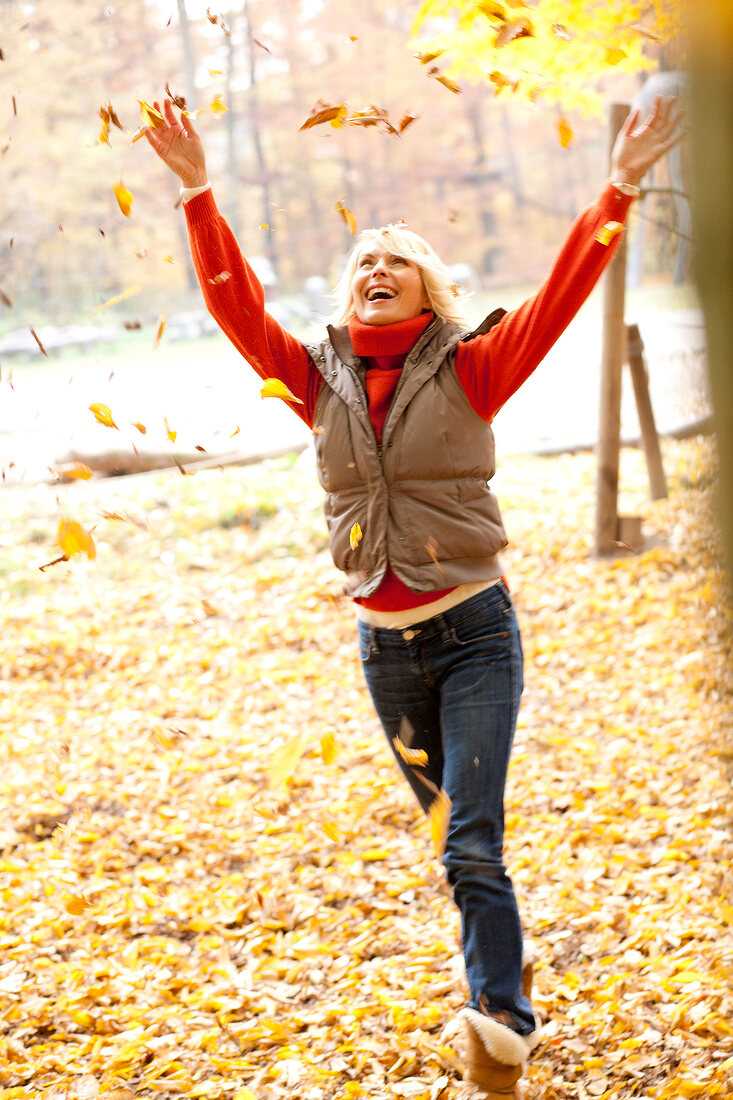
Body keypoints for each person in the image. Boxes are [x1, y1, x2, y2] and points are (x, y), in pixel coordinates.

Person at [144, 94, 680, 1099]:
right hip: (382, 647)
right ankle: (501, 966)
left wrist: (619, 183)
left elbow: (562, 294)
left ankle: (503, 1023)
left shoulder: (474, 365)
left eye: (397, 260)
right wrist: (195, 189)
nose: (376, 268)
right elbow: (231, 304)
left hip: (474, 630)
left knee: (471, 838)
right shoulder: (312, 381)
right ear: (348, 296)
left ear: (428, 292)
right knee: (454, 845)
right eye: (362, 263)